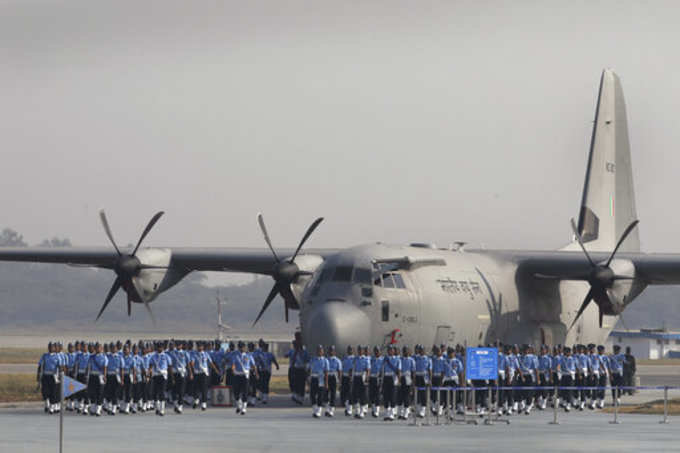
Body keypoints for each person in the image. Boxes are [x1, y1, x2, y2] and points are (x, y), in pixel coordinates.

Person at [190, 341, 219, 411]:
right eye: (198, 346)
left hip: (204, 373)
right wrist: (192, 368)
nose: (199, 347)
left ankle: (204, 403)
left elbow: (211, 362)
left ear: (203, 347)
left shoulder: (206, 354)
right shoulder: (194, 354)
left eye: (201, 346)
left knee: (204, 388)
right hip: (197, 373)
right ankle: (196, 399)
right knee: (195, 388)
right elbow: (192, 363)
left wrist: (216, 370)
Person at [232, 341, 258, 415]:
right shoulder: (235, 355)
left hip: (245, 376)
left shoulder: (249, 356)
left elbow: (253, 365)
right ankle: (239, 404)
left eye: (244, 347)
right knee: (236, 392)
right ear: (239, 348)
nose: (243, 348)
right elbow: (233, 364)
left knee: (245, 392)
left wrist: (256, 373)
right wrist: (233, 370)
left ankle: (244, 408)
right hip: (237, 375)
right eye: (241, 347)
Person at [149, 341, 172, 416]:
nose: (159, 348)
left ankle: (162, 410)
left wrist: (171, 377)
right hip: (156, 375)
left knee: (162, 392)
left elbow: (169, 367)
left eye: (161, 347)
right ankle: (157, 408)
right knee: (155, 392)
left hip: (163, 375)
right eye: (158, 347)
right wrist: (149, 374)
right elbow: (150, 366)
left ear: (163, 348)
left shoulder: (166, 356)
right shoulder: (153, 356)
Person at [37, 342, 59, 414]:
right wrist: (38, 376)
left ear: (54, 348)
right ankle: (47, 402)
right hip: (45, 376)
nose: (50, 348)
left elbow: (60, 367)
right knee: (45, 391)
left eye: (52, 347)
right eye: (49, 347)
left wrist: (59, 377)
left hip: (53, 377)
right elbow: (40, 366)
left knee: (53, 392)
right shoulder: (44, 356)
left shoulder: (57, 356)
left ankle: (52, 407)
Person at [87, 342, 108, 416]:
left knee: (100, 392)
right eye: (96, 347)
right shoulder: (91, 357)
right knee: (92, 392)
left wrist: (104, 376)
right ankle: (93, 408)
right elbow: (89, 367)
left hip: (100, 376)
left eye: (98, 347)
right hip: (92, 375)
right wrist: (87, 376)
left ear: (101, 348)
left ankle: (98, 409)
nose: (97, 349)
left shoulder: (104, 357)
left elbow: (105, 368)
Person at [308, 345, 329, 418]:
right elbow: (309, 369)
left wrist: (326, 383)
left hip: (321, 379)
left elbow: (326, 372)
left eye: (320, 350)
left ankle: (319, 411)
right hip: (314, 378)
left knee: (320, 395)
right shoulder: (312, 360)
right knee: (312, 395)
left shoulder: (325, 360)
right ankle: (315, 409)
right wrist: (308, 380)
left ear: (323, 352)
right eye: (318, 350)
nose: (319, 352)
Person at [381, 345, 401, 421]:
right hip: (386, 378)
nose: (390, 351)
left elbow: (398, 370)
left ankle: (392, 414)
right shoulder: (385, 359)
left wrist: (399, 380)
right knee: (386, 397)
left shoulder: (397, 359)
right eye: (389, 350)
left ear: (394, 351)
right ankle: (387, 414)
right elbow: (382, 369)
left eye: (391, 350)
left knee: (392, 396)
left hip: (393, 378)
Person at [104, 342, 124, 415]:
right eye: (112, 347)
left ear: (116, 349)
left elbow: (122, 369)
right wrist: (105, 376)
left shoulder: (119, 357)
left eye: (114, 347)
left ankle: (114, 409)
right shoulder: (107, 356)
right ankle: (109, 407)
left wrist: (122, 379)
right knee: (108, 393)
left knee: (115, 393)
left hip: (116, 377)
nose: (113, 349)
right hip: (109, 376)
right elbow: (105, 367)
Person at [170, 341, 190, 413]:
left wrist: (190, 373)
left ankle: (180, 406)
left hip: (182, 373)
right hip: (175, 373)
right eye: (177, 345)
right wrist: (171, 376)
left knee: (181, 390)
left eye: (180, 345)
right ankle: (175, 404)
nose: (178, 346)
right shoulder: (172, 353)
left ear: (182, 346)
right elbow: (170, 365)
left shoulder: (185, 353)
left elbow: (188, 364)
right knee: (174, 390)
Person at [352, 345, 371, 419]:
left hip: (363, 377)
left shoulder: (366, 359)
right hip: (356, 377)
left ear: (363, 351)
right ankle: (357, 411)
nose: (360, 351)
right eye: (358, 350)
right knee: (355, 395)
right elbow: (353, 368)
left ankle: (362, 412)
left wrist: (367, 377)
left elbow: (368, 369)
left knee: (363, 395)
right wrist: (352, 378)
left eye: (361, 350)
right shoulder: (355, 359)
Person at [414, 344, 432, 418]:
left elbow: (430, 370)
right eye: (420, 350)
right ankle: (418, 409)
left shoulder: (428, 359)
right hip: (417, 377)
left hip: (424, 377)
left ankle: (423, 410)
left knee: (423, 394)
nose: (421, 351)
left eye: (422, 350)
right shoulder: (416, 358)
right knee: (417, 393)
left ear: (424, 350)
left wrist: (430, 380)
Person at [398, 346, 415, 420]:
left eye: (406, 350)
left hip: (408, 378)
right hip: (401, 378)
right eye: (404, 350)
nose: (405, 352)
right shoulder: (400, 359)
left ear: (409, 351)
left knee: (406, 396)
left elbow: (413, 372)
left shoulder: (412, 360)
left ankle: (406, 413)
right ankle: (401, 413)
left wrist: (412, 382)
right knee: (400, 396)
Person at [75, 342, 91, 414]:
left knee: (86, 391)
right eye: (82, 347)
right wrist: (75, 374)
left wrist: (88, 375)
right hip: (80, 374)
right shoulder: (78, 355)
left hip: (86, 375)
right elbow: (76, 365)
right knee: (79, 390)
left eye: (85, 347)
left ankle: (86, 406)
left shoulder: (90, 356)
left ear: (87, 348)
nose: (83, 348)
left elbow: (91, 366)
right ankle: (80, 406)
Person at [325, 345, 341, 416]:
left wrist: (339, 381)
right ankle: (327, 409)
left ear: (334, 352)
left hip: (334, 377)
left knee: (333, 394)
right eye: (330, 350)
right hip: (327, 377)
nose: (331, 351)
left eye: (332, 350)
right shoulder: (326, 360)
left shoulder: (337, 361)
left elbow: (339, 371)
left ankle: (331, 410)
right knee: (325, 394)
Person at [369, 346, 384, 418]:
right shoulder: (371, 359)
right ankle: (373, 408)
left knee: (377, 394)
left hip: (378, 378)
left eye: (378, 351)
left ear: (380, 352)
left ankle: (376, 411)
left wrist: (381, 378)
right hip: (372, 378)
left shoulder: (383, 360)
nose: (376, 352)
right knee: (372, 395)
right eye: (375, 351)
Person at [559, 346, 576, 412]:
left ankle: (568, 404)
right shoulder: (562, 358)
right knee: (563, 390)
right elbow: (559, 365)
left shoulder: (572, 359)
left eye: (567, 352)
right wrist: (559, 368)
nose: (565, 353)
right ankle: (565, 401)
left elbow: (573, 367)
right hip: (564, 375)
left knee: (569, 390)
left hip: (570, 376)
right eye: (565, 351)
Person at [341, 345, 355, 416]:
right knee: (344, 393)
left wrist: (352, 374)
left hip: (351, 377)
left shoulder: (355, 359)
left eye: (351, 349)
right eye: (349, 349)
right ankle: (347, 407)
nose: (350, 350)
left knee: (350, 393)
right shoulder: (344, 358)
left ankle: (350, 409)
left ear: (353, 350)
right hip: (344, 376)